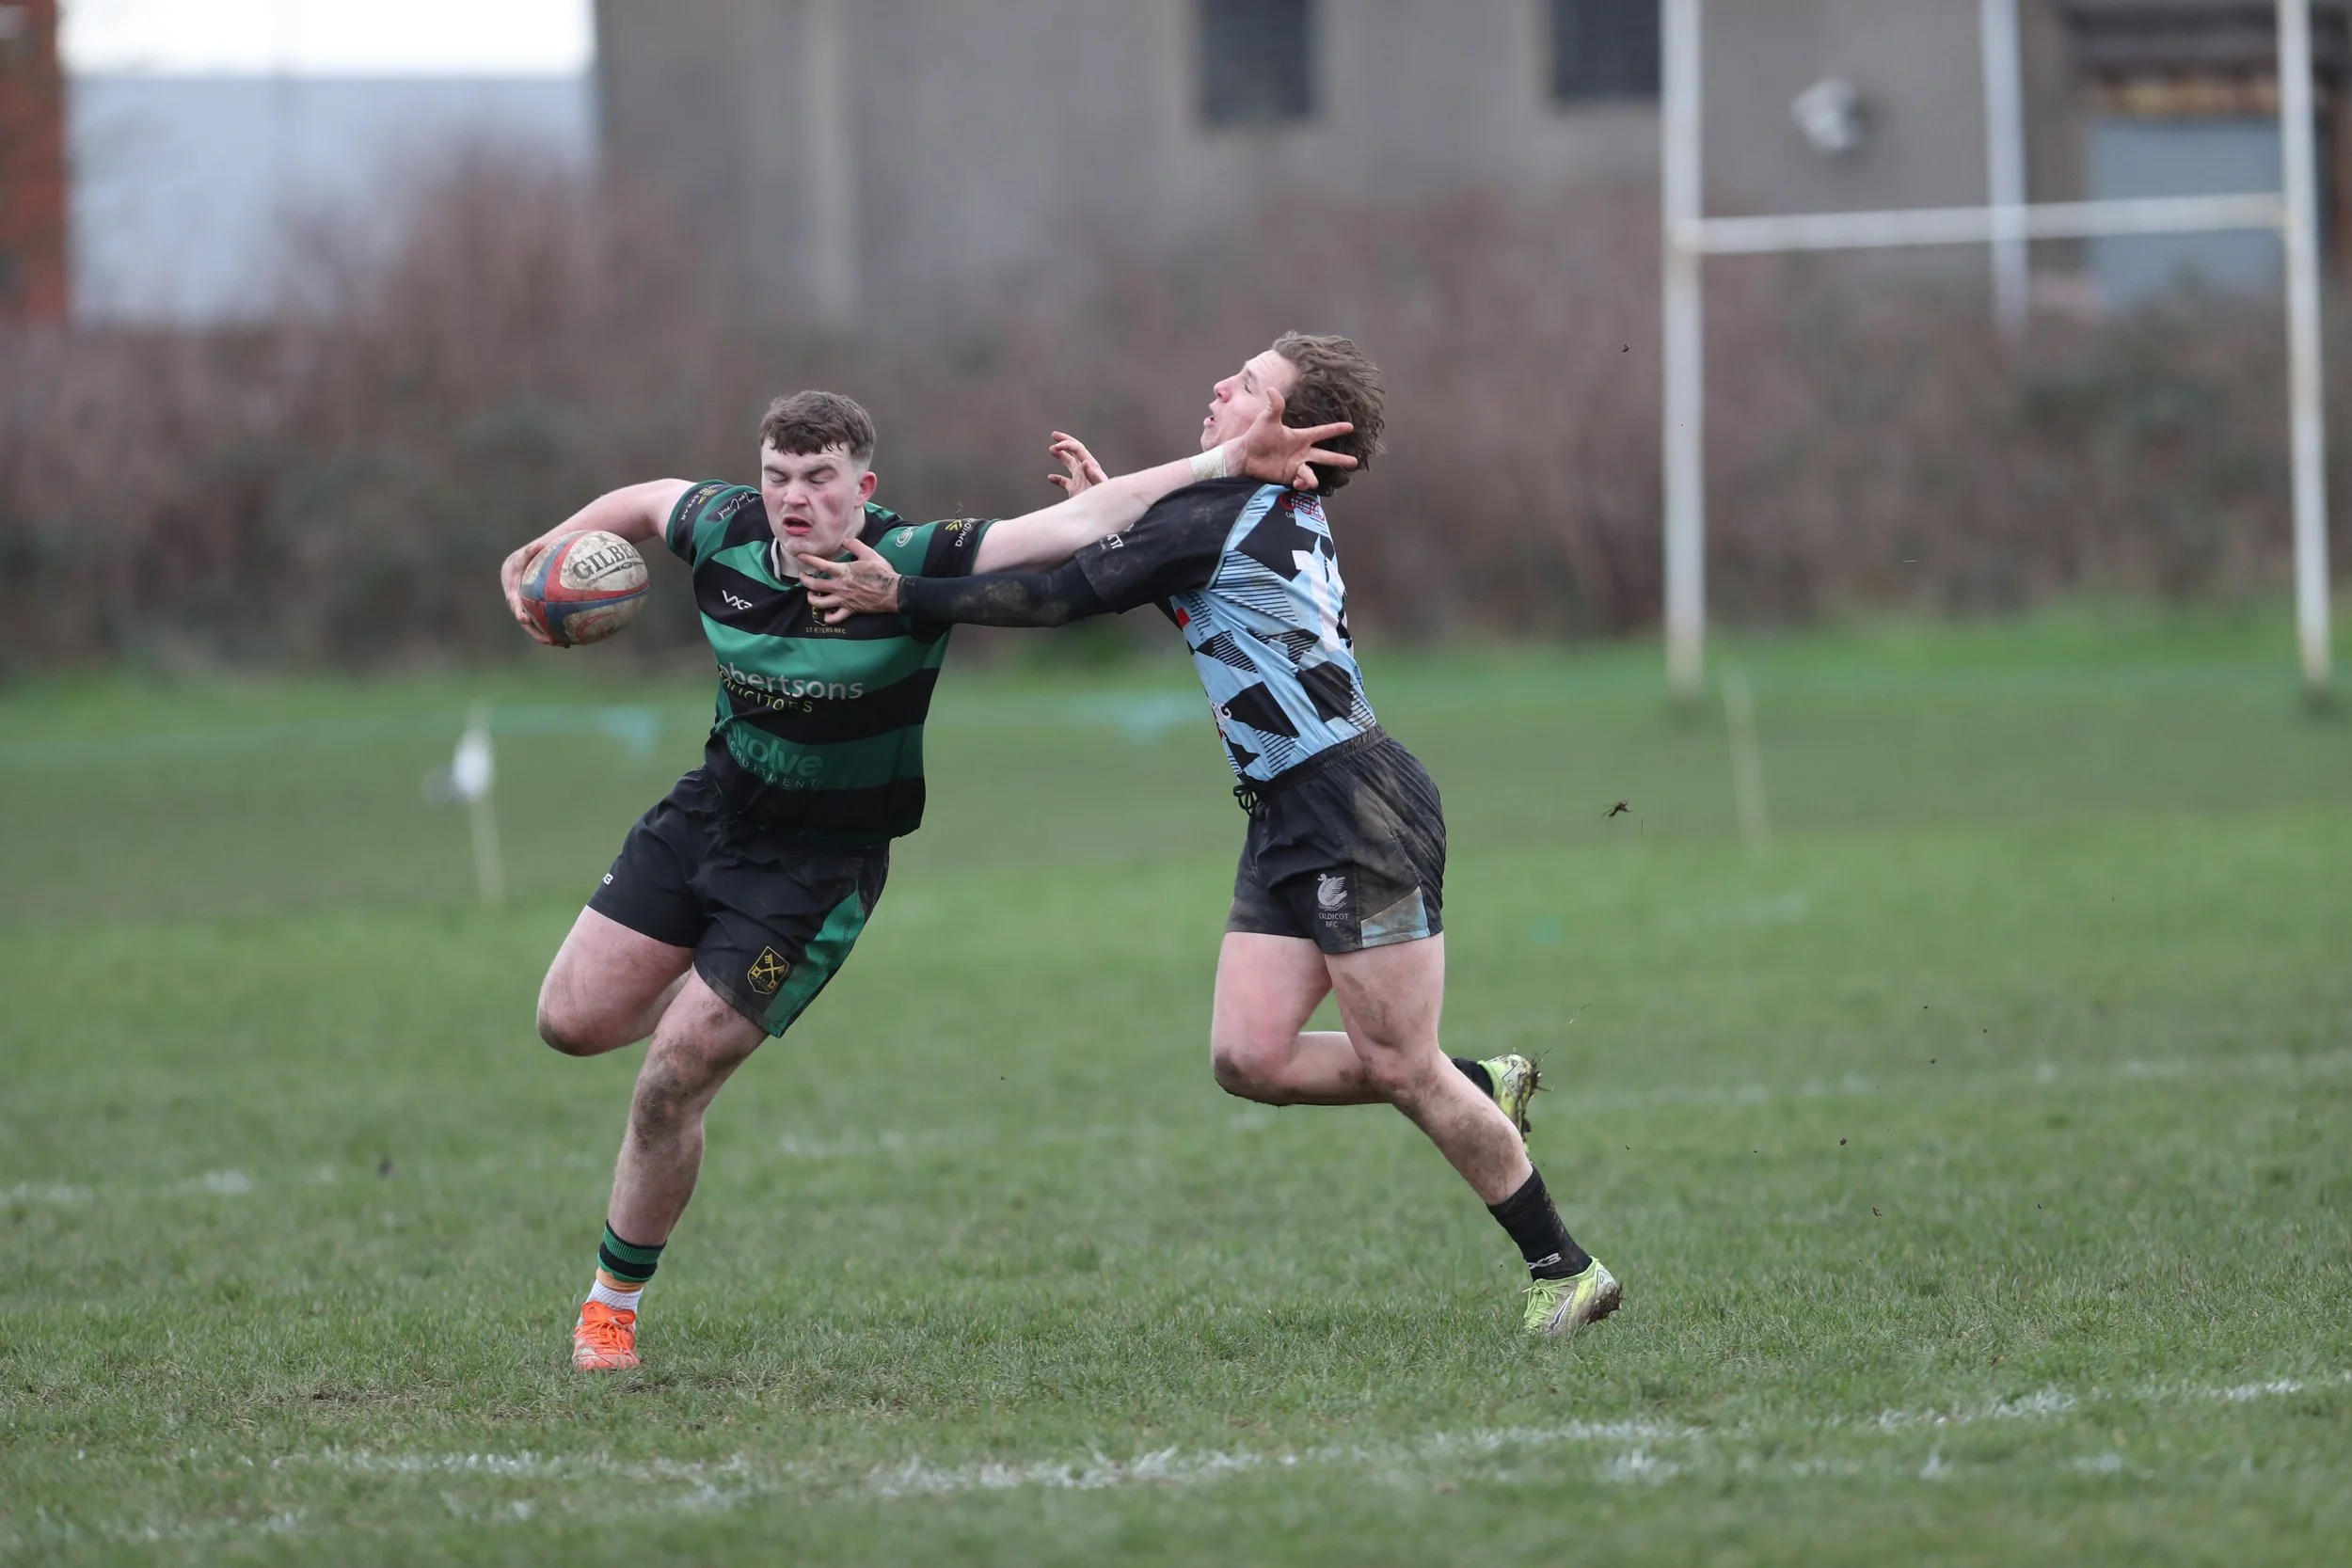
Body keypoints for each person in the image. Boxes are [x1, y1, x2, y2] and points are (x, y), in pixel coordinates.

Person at [500, 388, 1359, 1371]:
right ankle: (715, 984)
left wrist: (1224, 463)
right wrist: (539, 551)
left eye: (819, 479)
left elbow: (1068, 527)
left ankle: (610, 1309)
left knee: (671, 1080)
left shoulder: (909, 558)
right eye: (778, 477)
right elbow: (646, 499)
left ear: (862, 486)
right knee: (569, 1021)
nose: (794, 497)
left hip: (815, 874)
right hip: (705, 820)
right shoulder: (724, 530)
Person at [800, 335, 1621, 1335]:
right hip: (1287, 811)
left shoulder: (1223, 509)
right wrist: (1124, 519)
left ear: (1294, 431)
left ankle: (1564, 1266)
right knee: (1248, 1056)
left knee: (1404, 1067)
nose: (1222, 387)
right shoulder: (1245, 506)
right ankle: (1482, 1082)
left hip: (1356, 810)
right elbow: (1165, 575)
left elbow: (1060, 596)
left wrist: (903, 596)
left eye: (1250, 387)